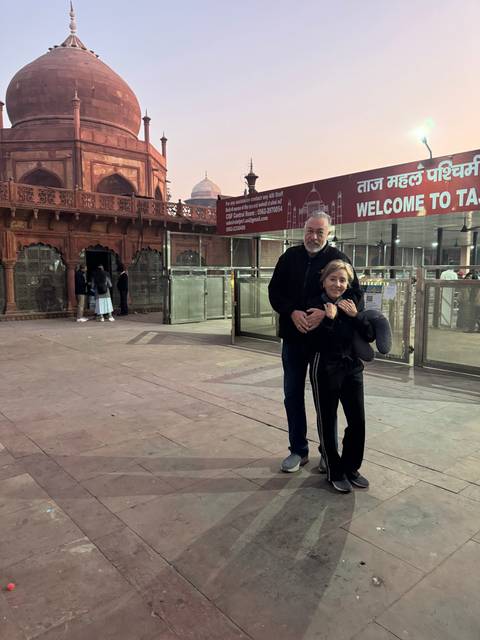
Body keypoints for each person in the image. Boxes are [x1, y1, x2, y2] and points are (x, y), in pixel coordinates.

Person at [268, 211, 362, 473]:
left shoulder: (338, 259)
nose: (313, 236)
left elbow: (355, 295)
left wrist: (326, 310)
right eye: (310, 230)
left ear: (328, 233)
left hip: (325, 344)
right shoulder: (289, 257)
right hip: (293, 339)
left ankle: (327, 453)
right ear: (303, 230)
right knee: (293, 395)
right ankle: (298, 450)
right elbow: (274, 291)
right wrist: (292, 311)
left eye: (319, 232)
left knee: (326, 400)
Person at [308, 259, 375, 493]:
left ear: (348, 283)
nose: (337, 284)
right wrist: (329, 319)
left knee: (358, 421)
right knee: (327, 420)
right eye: (333, 279)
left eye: (342, 280)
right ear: (324, 280)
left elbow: (368, 335)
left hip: (352, 368)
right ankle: (333, 470)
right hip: (324, 366)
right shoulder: (316, 304)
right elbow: (315, 341)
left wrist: (356, 316)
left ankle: (351, 467)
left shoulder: (351, 302)